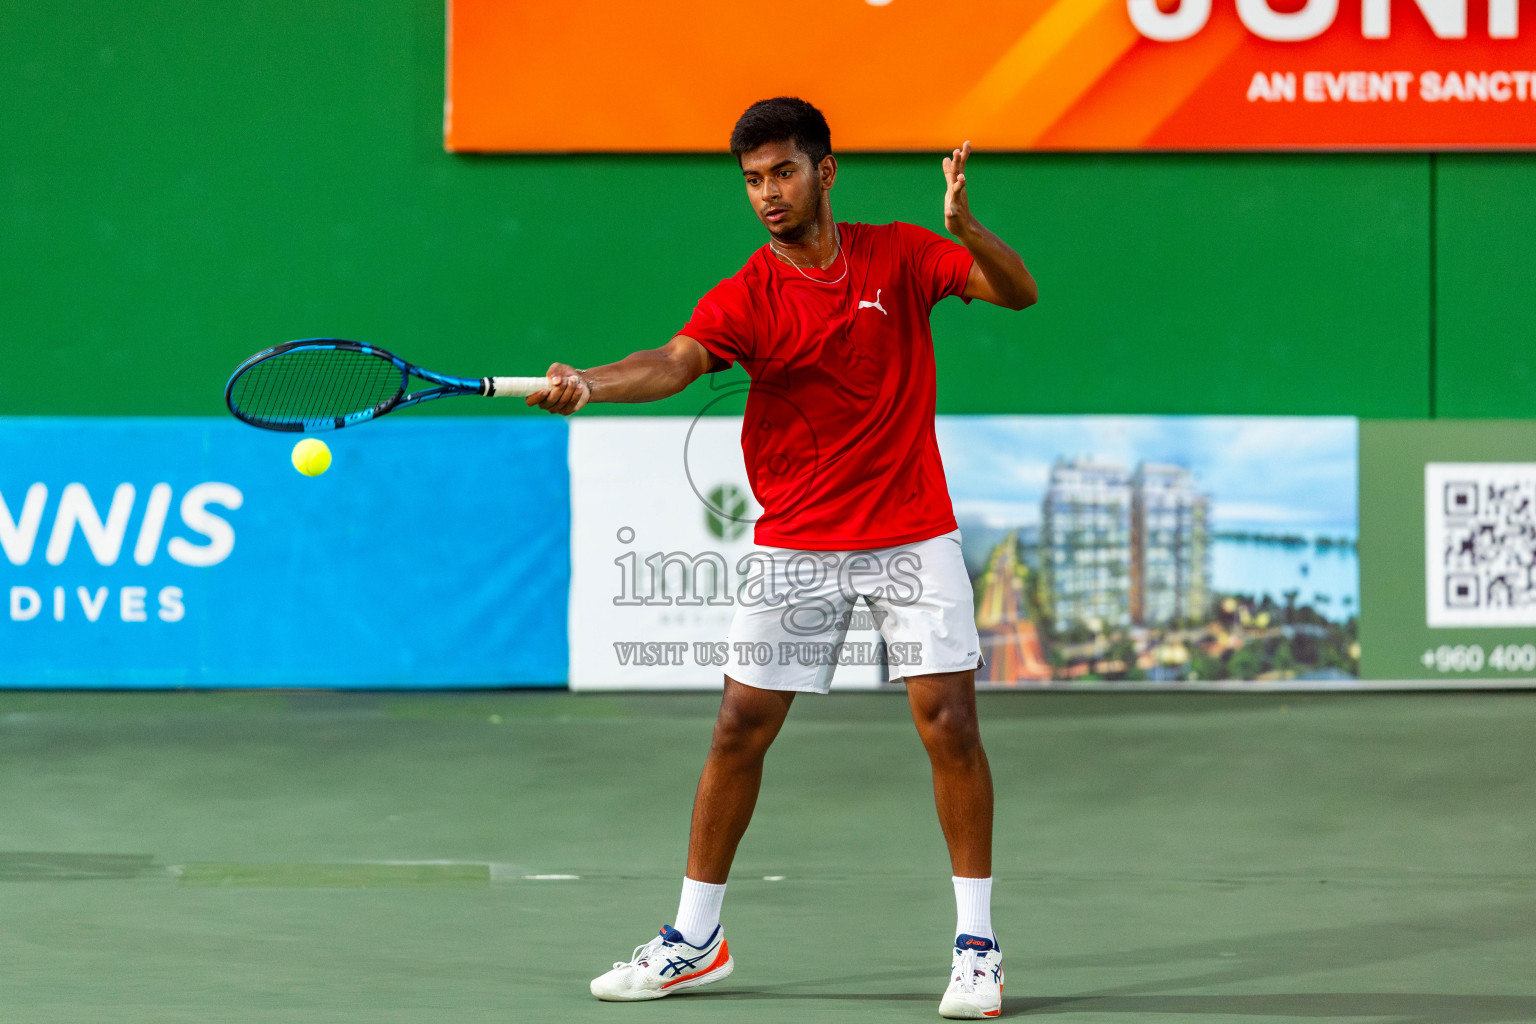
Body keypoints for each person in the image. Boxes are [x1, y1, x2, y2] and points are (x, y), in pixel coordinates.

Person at [528, 96, 1036, 1019]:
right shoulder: (747, 294)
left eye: (783, 172)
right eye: (753, 179)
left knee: (949, 723)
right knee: (738, 729)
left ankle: (977, 946)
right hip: (799, 539)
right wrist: (591, 384)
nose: (767, 193)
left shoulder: (905, 254)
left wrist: (968, 228)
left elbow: (1017, 290)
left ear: (824, 171)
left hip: (912, 528)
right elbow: (675, 360)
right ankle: (695, 937)